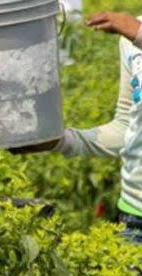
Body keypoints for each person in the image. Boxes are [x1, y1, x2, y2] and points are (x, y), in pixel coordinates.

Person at [50, 12, 142, 243]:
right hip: (135, 214)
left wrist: (138, 33)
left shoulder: (134, 30)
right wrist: (62, 140)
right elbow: (126, 128)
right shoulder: (131, 37)